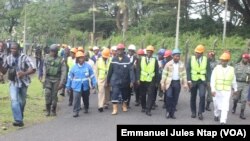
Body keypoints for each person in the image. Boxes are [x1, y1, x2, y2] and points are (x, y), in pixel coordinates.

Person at [0, 42, 36, 127]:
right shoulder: (8, 58)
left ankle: (20, 116)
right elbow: (4, 71)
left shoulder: (24, 57)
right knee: (14, 100)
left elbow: (33, 69)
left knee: (22, 102)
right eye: (11, 49)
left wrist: (24, 73)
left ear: (18, 49)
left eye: (15, 49)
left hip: (23, 83)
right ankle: (18, 120)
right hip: (13, 83)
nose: (13, 50)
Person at [66, 51, 97, 117]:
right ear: (77, 59)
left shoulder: (88, 66)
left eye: (82, 58)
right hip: (76, 87)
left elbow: (92, 75)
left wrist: (94, 83)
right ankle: (75, 111)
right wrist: (68, 86)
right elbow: (70, 77)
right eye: (79, 58)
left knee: (86, 99)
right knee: (76, 99)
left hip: (85, 86)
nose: (81, 59)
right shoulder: (74, 67)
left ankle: (86, 107)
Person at [106, 43, 135, 115]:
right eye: (118, 50)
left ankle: (124, 105)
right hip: (115, 80)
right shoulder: (114, 59)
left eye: (121, 50)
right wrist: (108, 80)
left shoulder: (127, 59)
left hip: (125, 81)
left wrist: (132, 81)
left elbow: (131, 71)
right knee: (115, 94)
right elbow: (110, 71)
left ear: (123, 50)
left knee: (125, 94)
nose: (119, 51)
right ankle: (115, 109)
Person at [210, 51, 237, 124]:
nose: (223, 62)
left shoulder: (231, 69)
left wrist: (235, 89)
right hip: (217, 90)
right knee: (216, 104)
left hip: (227, 90)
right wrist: (212, 90)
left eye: (224, 61)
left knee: (225, 105)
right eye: (222, 60)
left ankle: (223, 120)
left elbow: (233, 80)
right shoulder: (216, 68)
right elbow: (212, 79)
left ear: (227, 61)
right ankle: (216, 114)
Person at [40, 44, 67, 116]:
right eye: (51, 51)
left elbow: (64, 72)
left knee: (54, 95)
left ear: (57, 52)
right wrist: (42, 78)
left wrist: (62, 83)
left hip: (56, 79)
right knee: (47, 94)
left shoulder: (61, 60)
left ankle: (53, 110)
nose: (52, 53)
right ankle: (48, 110)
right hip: (48, 79)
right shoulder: (46, 58)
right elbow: (43, 68)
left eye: (54, 51)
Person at [161, 48, 188, 119]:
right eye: (176, 56)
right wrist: (162, 83)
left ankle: (172, 113)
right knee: (169, 96)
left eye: (178, 56)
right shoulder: (168, 64)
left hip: (177, 83)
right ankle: (167, 111)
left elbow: (184, 75)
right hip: (169, 83)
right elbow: (164, 74)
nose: (177, 57)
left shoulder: (182, 64)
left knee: (175, 99)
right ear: (172, 56)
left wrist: (185, 84)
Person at [186, 44, 211, 120]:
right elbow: (188, 69)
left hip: (202, 80)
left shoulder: (206, 59)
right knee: (193, 97)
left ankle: (200, 112)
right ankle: (193, 112)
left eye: (198, 52)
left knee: (202, 95)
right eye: (196, 52)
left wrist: (208, 80)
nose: (197, 53)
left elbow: (208, 70)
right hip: (193, 80)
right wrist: (189, 80)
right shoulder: (191, 58)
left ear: (202, 53)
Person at [136, 45, 159, 116]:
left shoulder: (155, 60)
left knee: (150, 95)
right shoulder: (141, 59)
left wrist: (156, 82)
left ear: (152, 53)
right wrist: (138, 79)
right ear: (146, 52)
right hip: (142, 80)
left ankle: (148, 109)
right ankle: (143, 107)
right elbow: (138, 69)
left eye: (150, 52)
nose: (149, 53)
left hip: (151, 80)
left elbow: (157, 71)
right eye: (148, 52)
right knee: (142, 95)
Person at [232, 53, 250, 119]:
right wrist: (233, 86)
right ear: (242, 58)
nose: (246, 60)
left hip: (246, 84)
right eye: (244, 58)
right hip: (238, 83)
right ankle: (234, 106)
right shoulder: (237, 66)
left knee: (244, 99)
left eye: (247, 59)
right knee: (236, 98)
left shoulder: (249, 66)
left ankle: (242, 113)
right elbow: (233, 76)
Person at [96, 48, 111, 112]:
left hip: (108, 78)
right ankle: (100, 105)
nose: (105, 58)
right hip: (101, 78)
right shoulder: (98, 61)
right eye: (104, 57)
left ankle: (106, 103)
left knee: (107, 91)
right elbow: (96, 71)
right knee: (101, 91)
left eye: (106, 57)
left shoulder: (110, 60)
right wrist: (96, 80)